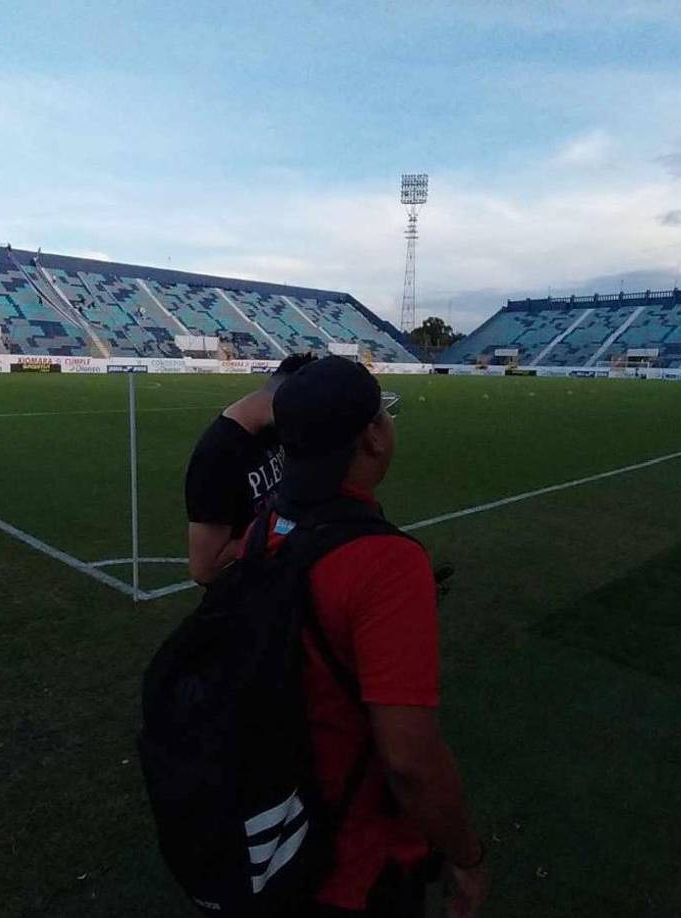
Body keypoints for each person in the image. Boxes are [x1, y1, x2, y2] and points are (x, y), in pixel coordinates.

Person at [265, 356, 489, 918]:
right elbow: (410, 760)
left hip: (277, 834)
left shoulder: (263, 527)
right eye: (384, 417)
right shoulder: (386, 563)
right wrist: (467, 856)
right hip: (357, 869)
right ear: (371, 438)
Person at [184, 352, 316, 584]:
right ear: (291, 401)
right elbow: (203, 569)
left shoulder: (274, 430)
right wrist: (273, 530)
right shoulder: (218, 457)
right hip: (244, 603)